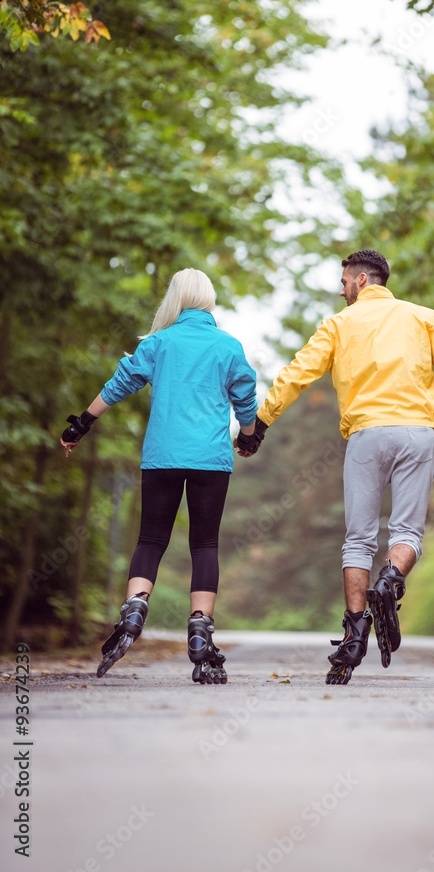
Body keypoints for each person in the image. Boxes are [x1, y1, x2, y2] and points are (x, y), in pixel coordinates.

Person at [242, 249, 434, 685]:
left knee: (357, 540)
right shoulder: (424, 317)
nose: (341, 289)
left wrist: (260, 424)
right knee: (407, 534)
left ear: (362, 280)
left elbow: (296, 374)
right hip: (418, 434)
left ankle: (353, 636)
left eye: (344, 281)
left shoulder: (338, 325)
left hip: (367, 434)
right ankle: (390, 580)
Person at [60, 268, 261, 684]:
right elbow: (245, 396)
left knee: (150, 539)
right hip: (209, 458)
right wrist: (248, 437)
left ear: (175, 299)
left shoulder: (158, 343)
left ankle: (134, 608)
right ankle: (201, 634)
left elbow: (119, 384)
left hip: (162, 456)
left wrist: (81, 424)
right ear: (208, 300)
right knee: (204, 544)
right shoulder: (227, 346)